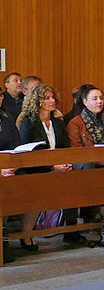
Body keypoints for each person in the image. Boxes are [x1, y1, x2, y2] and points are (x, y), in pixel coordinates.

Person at [15, 85, 73, 251]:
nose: (52, 101)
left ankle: (72, 230)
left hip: (57, 167)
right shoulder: (29, 122)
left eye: (52, 97)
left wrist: (66, 162)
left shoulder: (57, 122)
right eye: (47, 98)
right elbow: (29, 151)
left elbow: (65, 146)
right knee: (37, 193)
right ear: (37, 101)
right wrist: (53, 165)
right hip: (34, 169)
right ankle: (26, 234)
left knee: (77, 181)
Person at [66, 85, 104, 221]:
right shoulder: (76, 123)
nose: (99, 102)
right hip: (87, 164)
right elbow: (78, 152)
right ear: (85, 102)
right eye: (95, 99)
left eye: (101, 98)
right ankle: (91, 214)